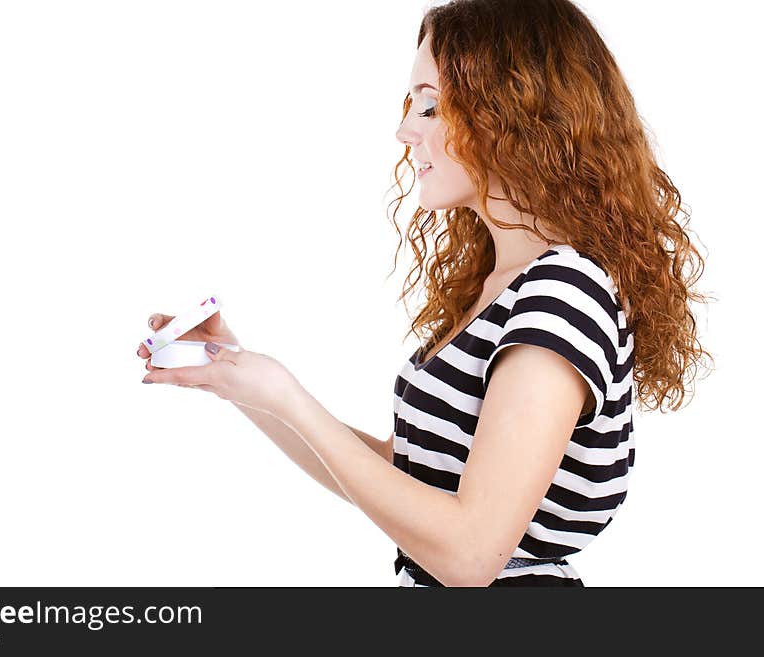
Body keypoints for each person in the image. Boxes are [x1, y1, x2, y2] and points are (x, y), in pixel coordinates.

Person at [138, 0, 712, 586]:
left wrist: (285, 395)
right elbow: (400, 477)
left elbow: (468, 556)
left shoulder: (562, 297)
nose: (405, 128)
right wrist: (237, 377)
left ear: (513, 114)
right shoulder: (504, 289)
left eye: (431, 105)